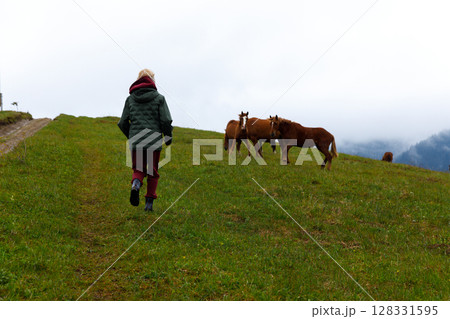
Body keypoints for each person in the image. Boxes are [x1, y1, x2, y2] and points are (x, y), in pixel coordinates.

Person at [118, 69, 173, 211]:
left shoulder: (130, 99)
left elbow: (123, 122)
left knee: (138, 169)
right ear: (152, 80)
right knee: (152, 172)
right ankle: (149, 205)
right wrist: (168, 137)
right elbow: (166, 121)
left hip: (136, 141)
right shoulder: (159, 98)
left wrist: (132, 136)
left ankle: (135, 184)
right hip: (153, 141)